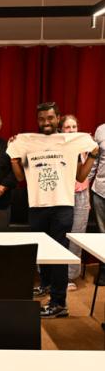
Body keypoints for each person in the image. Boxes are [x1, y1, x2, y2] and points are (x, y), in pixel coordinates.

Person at [8, 102, 99, 318]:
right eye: (42, 119)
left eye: (50, 118)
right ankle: (46, 285)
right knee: (42, 252)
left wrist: (94, 154)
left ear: (58, 118)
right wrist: (14, 157)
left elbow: (79, 176)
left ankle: (59, 303)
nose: (46, 122)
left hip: (62, 205)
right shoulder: (28, 142)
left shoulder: (68, 143)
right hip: (37, 204)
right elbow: (21, 177)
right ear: (37, 120)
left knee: (58, 254)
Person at [59, 115, 90, 291]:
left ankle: (70, 276)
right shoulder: (59, 147)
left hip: (82, 196)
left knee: (77, 236)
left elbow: (87, 175)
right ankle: (55, 274)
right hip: (64, 195)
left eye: (73, 127)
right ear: (61, 130)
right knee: (61, 235)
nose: (71, 130)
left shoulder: (86, 147)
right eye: (67, 127)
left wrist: (88, 200)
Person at [88, 122, 105, 288]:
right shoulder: (101, 130)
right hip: (100, 190)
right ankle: (104, 271)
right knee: (103, 235)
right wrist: (86, 183)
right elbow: (94, 161)